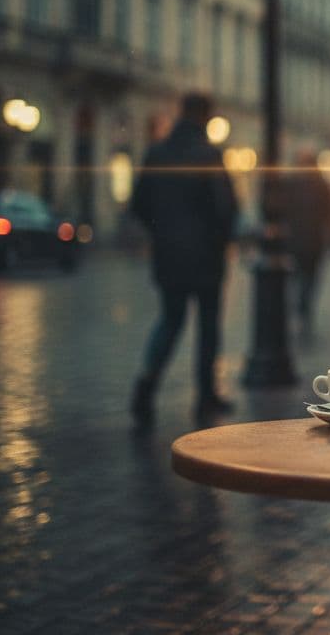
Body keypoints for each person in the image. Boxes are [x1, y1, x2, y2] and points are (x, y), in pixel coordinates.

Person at [130, 93, 239, 430]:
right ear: (205, 116)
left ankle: (146, 386)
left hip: (168, 256)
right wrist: (221, 237)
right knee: (208, 327)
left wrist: (162, 233)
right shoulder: (209, 155)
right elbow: (226, 208)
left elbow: (138, 205)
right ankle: (206, 393)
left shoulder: (157, 152)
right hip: (206, 256)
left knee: (170, 320)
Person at [281, 147, 330, 339]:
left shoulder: (290, 184)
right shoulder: (322, 185)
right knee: (309, 279)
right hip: (313, 240)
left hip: (294, 240)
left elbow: (281, 211)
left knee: (295, 277)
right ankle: (304, 310)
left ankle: (298, 308)